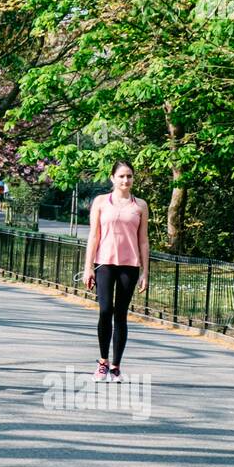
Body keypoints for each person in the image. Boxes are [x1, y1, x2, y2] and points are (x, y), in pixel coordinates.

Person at [81, 160, 150, 382]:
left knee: (121, 315)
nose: (125, 180)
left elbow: (143, 241)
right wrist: (88, 267)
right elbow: (94, 235)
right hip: (104, 263)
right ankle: (102, 362)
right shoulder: (101, 202)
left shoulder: (140, 205)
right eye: (121, 176)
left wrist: (145, 272)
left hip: (129, 266)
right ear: (112, 178)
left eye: (129, 176)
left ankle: (116, 366)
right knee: (104, 311)